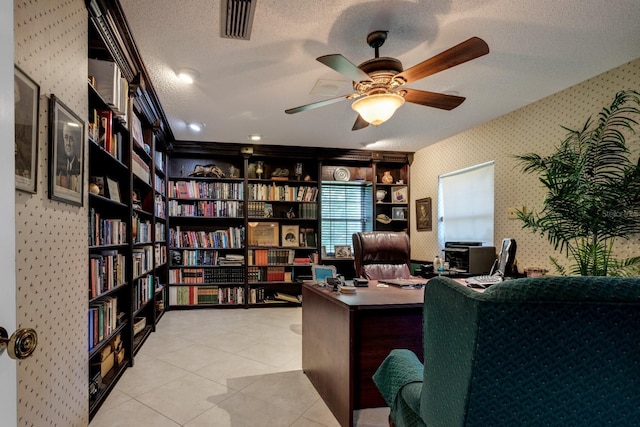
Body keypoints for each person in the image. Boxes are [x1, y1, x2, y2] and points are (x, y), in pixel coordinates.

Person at [57, 121, 81, 191]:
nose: (68, 143)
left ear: (77, 141)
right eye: (66, 137)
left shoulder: (80, 167)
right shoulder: (57, 164)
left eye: (71, 139)